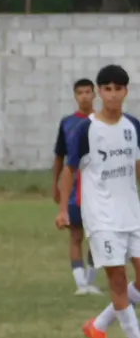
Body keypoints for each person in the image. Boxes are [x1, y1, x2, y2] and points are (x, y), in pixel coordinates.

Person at [56, 65, 140, 338]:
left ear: (126, 91)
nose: (113, 94)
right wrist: (64, 208)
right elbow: (69, 169)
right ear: (100, 92)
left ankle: (99, 324)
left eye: (119, 89)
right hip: (102, 217)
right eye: (107, 89)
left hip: (132, 213)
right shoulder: (86, 129)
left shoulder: (133, 125)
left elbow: (137, 165)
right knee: (117, 278)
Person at [53, 78, 101, 295]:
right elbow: (59, 157)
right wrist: (56, 186)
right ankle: (81, 284)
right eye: (80, 93)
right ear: (75, 96)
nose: (84, 96)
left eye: (88, 92)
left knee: (98, 236)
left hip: (98, 188)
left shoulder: (102, 122)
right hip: (74, 190)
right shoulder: (67, 123)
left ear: (94, 94)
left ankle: (91, 281)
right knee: (76, 235)